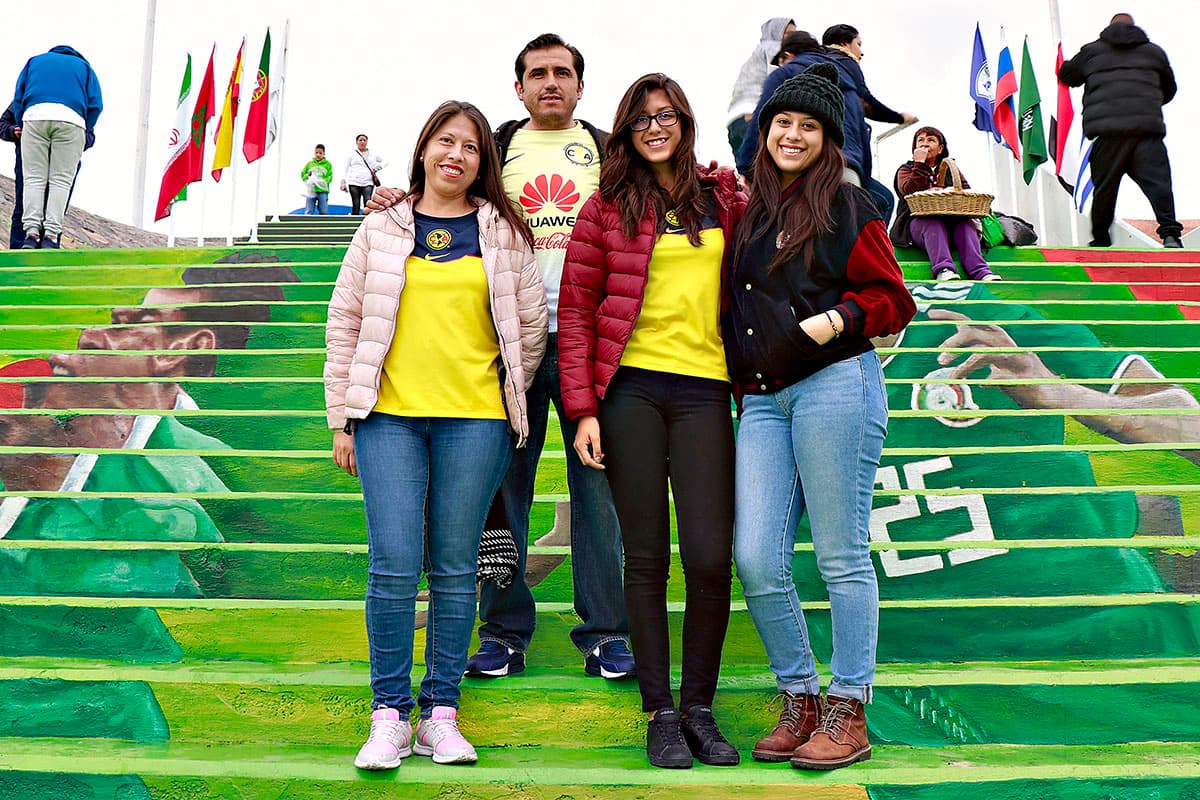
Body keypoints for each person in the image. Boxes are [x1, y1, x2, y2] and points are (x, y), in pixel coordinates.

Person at [371, 33, 633, 683]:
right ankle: (505, 630)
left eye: (563, 73)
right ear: (518, 88)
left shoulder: (610, 153)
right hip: (508, 342)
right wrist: (394, 202)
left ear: (580, 86)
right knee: (502, 490)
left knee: (598, 489)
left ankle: (605, 632)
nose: (551, 82)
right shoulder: (496, 149)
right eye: (537, 73)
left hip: (589, 339)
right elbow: (441, 195)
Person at [324, 100, 547, 770]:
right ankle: (390, 716)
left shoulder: (504, 231)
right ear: (423, 149)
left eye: (471, 147)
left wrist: (502, 395)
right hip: (387, 419)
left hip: (476, 422)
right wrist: (343, 417)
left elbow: (529, 328)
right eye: (446, 142)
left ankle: (440, 715)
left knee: (454, 567)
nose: (457, 155)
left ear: (484, 163)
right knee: (393, 562)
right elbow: (346, 321)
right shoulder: (382, 226)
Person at [723, 64, 915, 771]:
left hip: (835, 384)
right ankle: (799, 694)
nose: (794, 135)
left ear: (828, 139)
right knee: (756, 557)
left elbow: (893, 298)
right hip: (764, 399)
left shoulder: (847, 202)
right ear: (764, 130)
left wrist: (836, 320)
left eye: (809, 126)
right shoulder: (748, 210)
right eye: (784, 122)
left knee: (840, 555)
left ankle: (849, 706)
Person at [558, 73, 745, 770]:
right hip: (630, 392)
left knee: (708, 557)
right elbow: (576, 311)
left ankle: (699, 708)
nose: (655, 127)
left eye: (666, 115)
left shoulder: (723, 198)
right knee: (645, 557)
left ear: (685, 122)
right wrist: (582, 410)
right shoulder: (605, 207)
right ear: (626, 132)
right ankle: (660, 712)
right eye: (640, 119)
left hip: (705, 393)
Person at [1059, 14, 1181, 249]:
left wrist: (1063, 64)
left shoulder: (1092, 51)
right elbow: (1169, 89)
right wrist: (1148, 102)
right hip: (1146, 133)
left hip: (1108, 134)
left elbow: (1068, 76)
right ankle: (1171, 235)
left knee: (1105, 188)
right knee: (1160, 187)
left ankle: (1101, 238)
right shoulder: (1154, 53)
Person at [822, 23, 918, 224]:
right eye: (858, 44)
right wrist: (899, 117)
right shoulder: (845, 61)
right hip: (843, 157)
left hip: (825, 155)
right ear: (844, 43)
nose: (861, 52)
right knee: (883, 201)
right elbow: (865, 102)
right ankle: (867, 244)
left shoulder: (819, 65)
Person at [10, 45, 102, 249]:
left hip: (34, 116)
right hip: (72, 120)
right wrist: (85, 128)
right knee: (60, 180)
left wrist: (22, 121)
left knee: (33, 178)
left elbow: (19, 96)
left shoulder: (34, 61)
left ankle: (31, 234)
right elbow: (96, 104)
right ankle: (51, 236)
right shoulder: (85, 67)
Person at [889, 126, 998, 281]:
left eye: (931, 140)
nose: (925, 144)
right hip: (917, 226)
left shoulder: (949, 169)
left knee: (965, 224)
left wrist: (946, 191)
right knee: (932, 222)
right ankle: (943, 269)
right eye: (920, 140)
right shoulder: (906, 169)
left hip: (951, 224)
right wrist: (920, 165)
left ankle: (981, 271)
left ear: (940, 148)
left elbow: (965, 191)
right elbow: (907, 191)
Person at [725, 17, 795, 158]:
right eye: (788, 33)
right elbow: (779, 80)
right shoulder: (773, 48)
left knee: (747, 166)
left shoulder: (757, 54)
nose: (793, 38)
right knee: (764, 164)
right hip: (752, 116)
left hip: (737, 119)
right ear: (776, 32)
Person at [341, 134, 385, 215]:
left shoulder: (372, 154)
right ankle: (354, 221)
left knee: (367, 203)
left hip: (368, 182)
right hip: (354, 182)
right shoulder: (351, 154)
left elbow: (385, 162)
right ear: (356, 142)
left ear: (367, 142)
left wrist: (377, 168)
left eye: (364, 140)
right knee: (356, 204)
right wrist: (343, 182)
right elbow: (345, 169)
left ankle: (367, 221)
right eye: (360, 140)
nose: (362, 142)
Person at [301, 144, 333, 214]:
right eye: (316, 153)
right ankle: (308, 221)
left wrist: (320, 182)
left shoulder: (328, 164)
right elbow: (303, 176)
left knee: (323, 211)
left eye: (320, 153)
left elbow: (330, 177)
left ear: (324, 153)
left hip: (323, 191)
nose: (318, 155)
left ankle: (323, 221)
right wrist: (307, 175)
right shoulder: (309, 164)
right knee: (309, 210)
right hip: (311, 190)